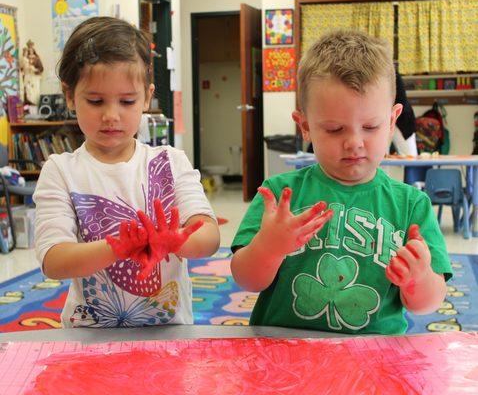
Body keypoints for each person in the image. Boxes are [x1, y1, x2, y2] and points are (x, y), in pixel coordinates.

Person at [231, 30, 452, 335]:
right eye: (335, 129)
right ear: (306, 127)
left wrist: (419, 278)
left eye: (371, 127)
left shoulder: (411, 205)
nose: (354, 143)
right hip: (284, 355)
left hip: (373, 359)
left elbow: (427, 304)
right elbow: (246, 279)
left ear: (391, 122)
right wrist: (268, 248)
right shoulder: (280, 196)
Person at [33, 17, 220, 328]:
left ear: (146, 97)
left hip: (168, 331)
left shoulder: (170, 162)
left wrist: (174, 241)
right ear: (69, 96)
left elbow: (209, 235)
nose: (111, 115)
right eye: (95, 101)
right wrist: (116, 247)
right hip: (89, 335)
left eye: (127, 101)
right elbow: (54, 260)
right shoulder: (61, 171)